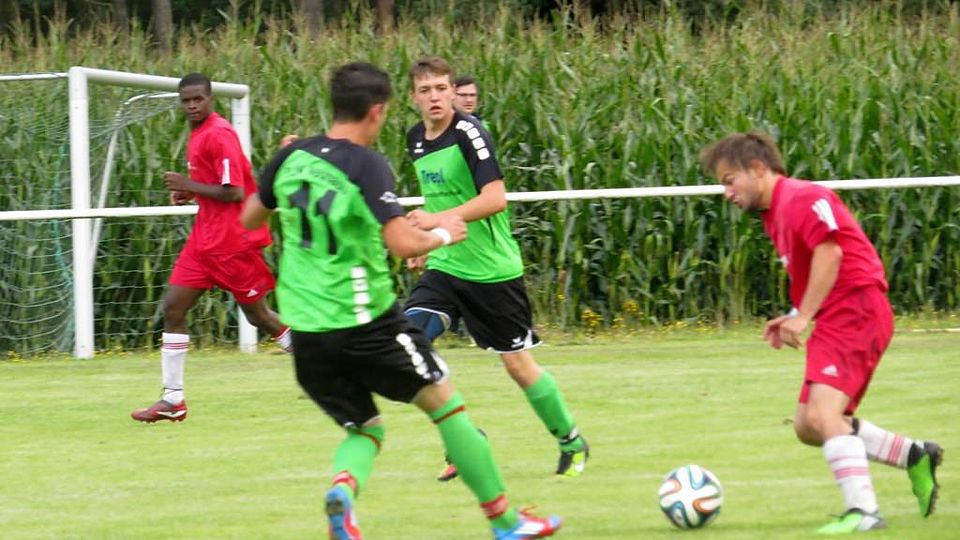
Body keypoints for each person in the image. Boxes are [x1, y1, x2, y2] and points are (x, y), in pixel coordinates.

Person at [240, 61, 561, 540]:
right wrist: (444, 234)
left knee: (366, 429)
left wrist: (279, 165)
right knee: (447, 408)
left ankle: (344, 492)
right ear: (378, 111)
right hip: (364, 323)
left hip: (306, 332)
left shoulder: (292, 157)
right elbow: (403, 244)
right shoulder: (366, 164)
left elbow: (250, 218)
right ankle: (506, 523)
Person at [700, 132, 943, 534]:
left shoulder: (802, 197)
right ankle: (912, 455)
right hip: (838, 316)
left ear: (757, 169)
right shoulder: (774, 213)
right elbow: (815, 266)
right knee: (808, 426)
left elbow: (831, 253)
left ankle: (864, 511)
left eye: (729, 180)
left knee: (824, 415)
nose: (726, 192)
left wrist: (802, 316)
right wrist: (793, 314)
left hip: (857, 310)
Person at [403, 56, 589, 482]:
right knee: (410, 346)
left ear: (453, 91)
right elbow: (438, 200)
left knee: (518, 366)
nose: (435, 97)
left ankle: (571, 440)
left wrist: (435, 221)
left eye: (441, 88)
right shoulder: (415, 139)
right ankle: (464, 441)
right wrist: (426, 243)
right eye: (426, 90)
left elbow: (495, 198)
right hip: (446, 265)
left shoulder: (469, 132)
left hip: (491, 272)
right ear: (414, 97)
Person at [131, 73, 292, 423]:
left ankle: (319, 362)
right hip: (204, 242)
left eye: (197, 99)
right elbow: (215, 186)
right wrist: (190, 192)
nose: (191, 106)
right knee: (173, 307)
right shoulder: (199, 133)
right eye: (186, 100)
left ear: (210, 99)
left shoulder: (219, 134)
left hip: (232, 243)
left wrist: (188, 183)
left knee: (259, 317)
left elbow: (234, 192)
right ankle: (173, 399)